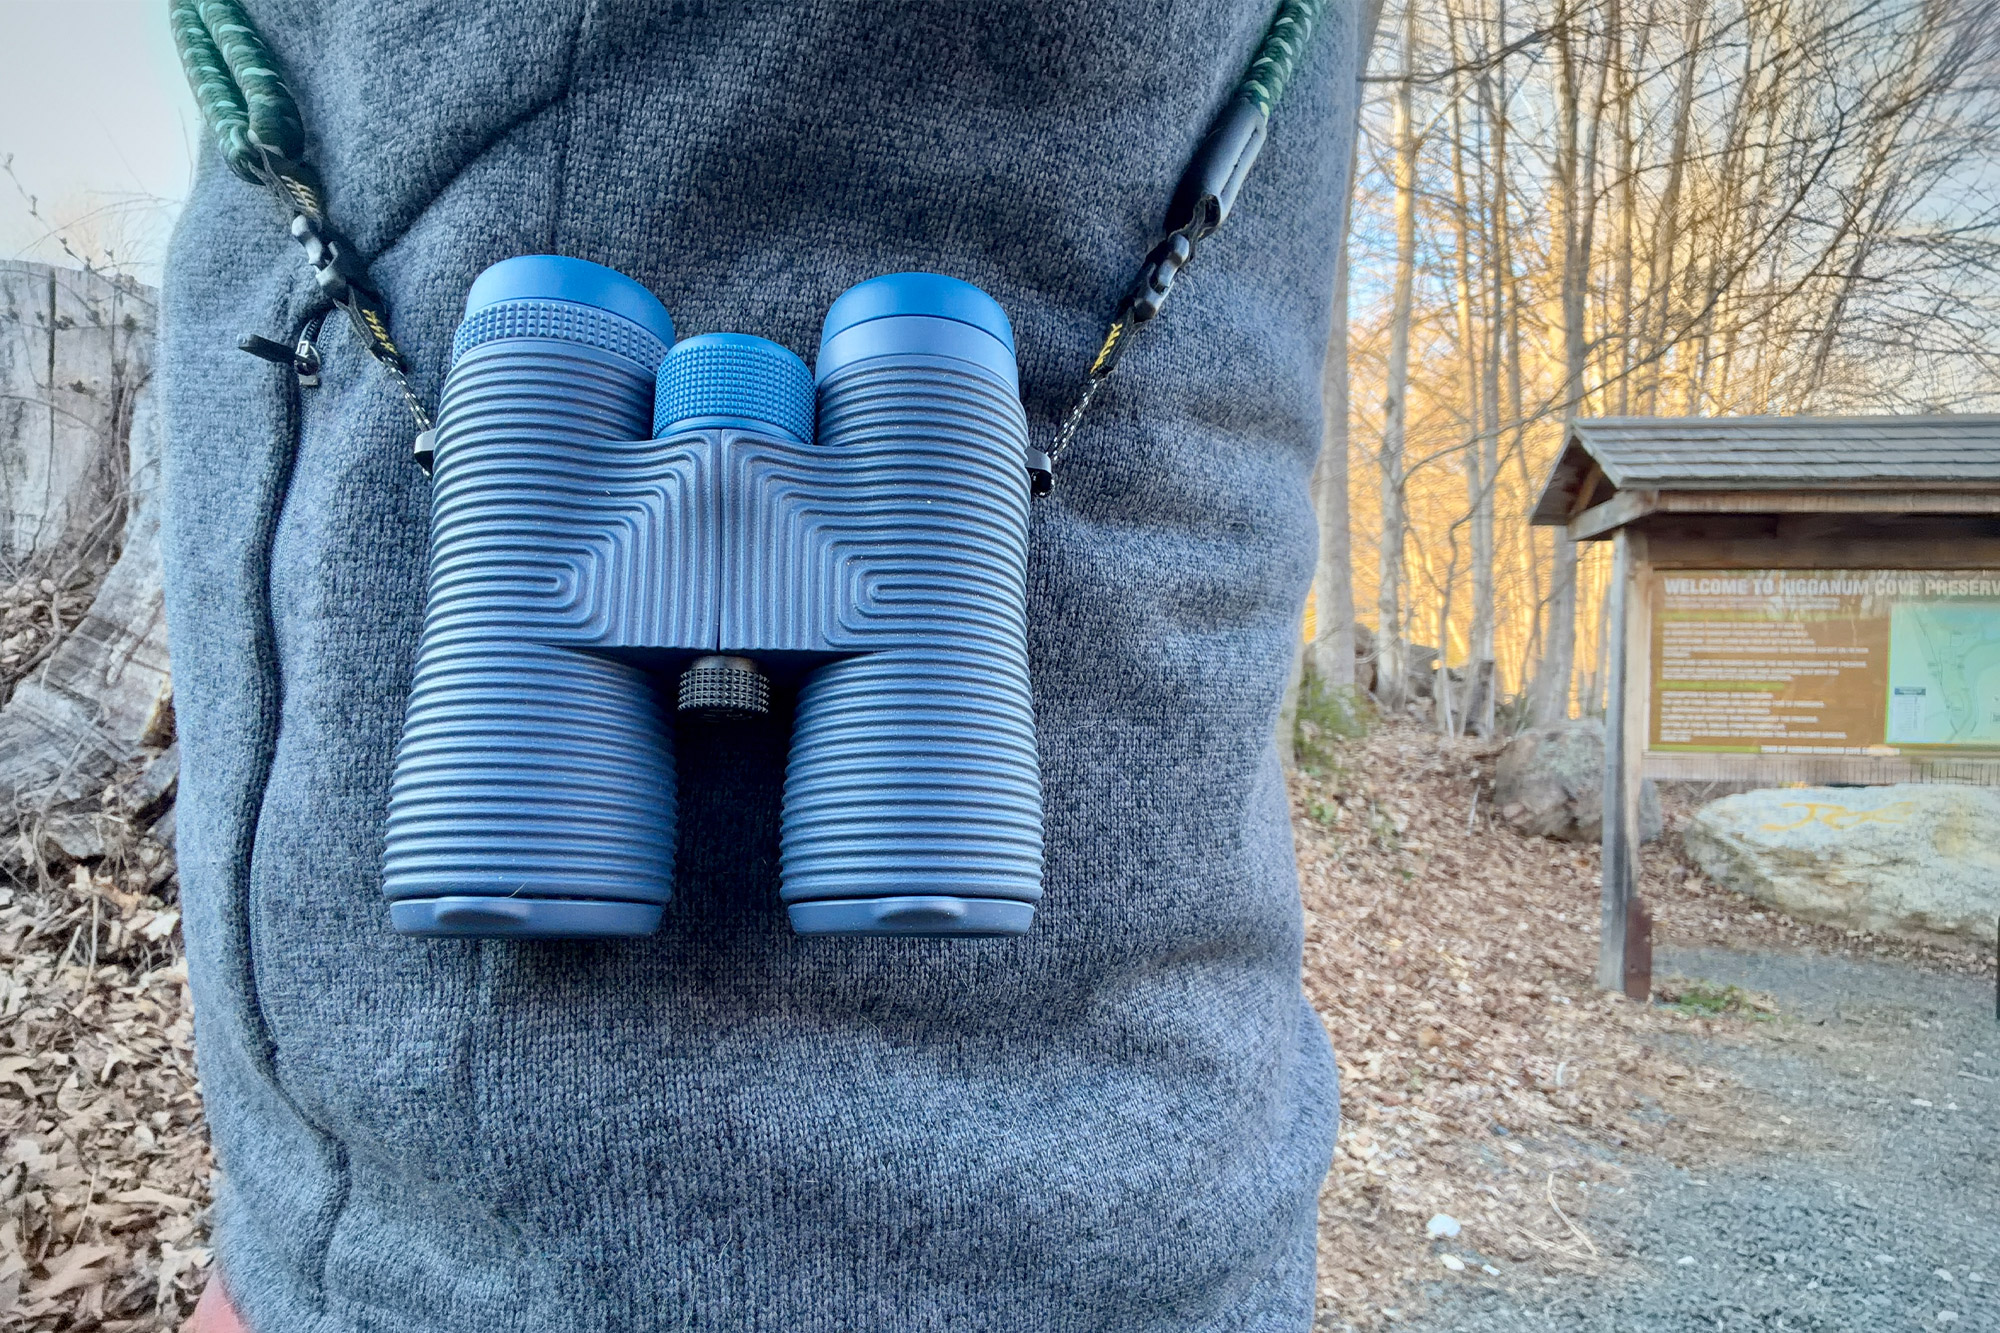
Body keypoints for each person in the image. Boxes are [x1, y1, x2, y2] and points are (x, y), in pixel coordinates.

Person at [162, 3, 1357, 1328]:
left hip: (419, 1236)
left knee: (543, 345)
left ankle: (566, 362)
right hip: (1147, 1198)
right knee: (928, 354)